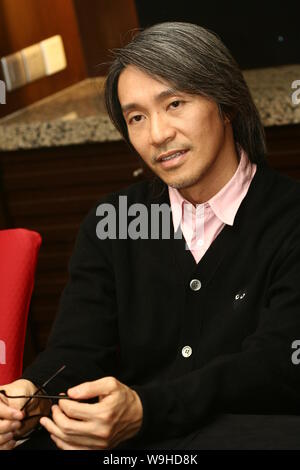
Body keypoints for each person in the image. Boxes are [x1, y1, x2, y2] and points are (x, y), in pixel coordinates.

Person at [1, 21, 300, 451]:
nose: (157, 135)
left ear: (226, 103)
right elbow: (78, 350)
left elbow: (276, 367)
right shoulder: (115, 221)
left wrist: (146, 410)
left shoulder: (289, 219)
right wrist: (32, 398)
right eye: (137, 117)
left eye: (175, 103)